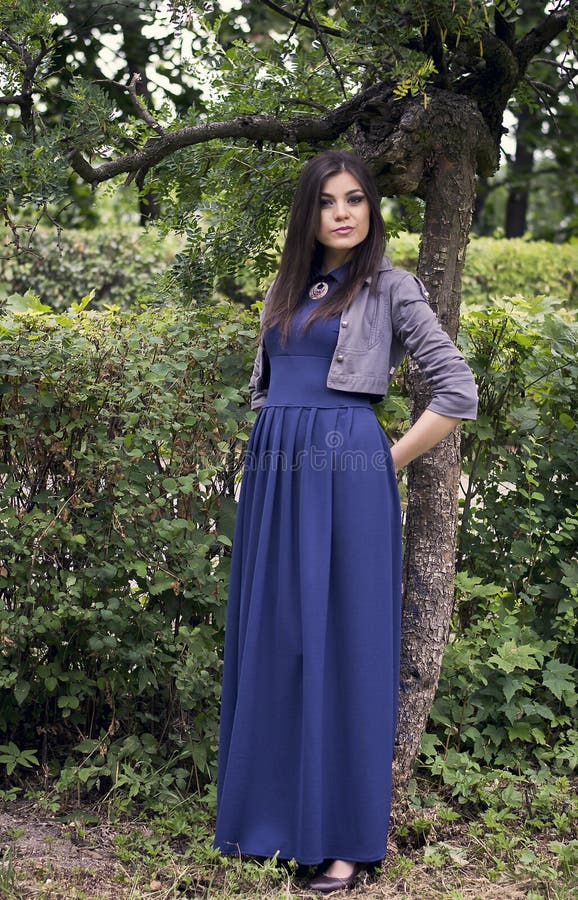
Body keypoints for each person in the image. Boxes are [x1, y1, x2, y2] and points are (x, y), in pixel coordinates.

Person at [213, 150, 478, 894]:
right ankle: (278, 825)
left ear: (371, 210)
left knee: (344, 651)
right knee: (282, 641)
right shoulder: (285, 286)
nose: (342, 211)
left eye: (355, 198)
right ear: (309, 213)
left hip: (348, 477)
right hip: (275, 483)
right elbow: (268, 396)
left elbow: (457, 391)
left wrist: (381, 463)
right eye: (327, 200)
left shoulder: (391, 287)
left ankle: (345, 846)